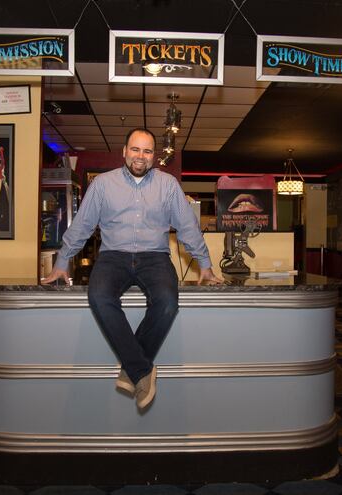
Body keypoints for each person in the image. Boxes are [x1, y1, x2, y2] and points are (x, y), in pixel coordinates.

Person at [42, 128, 221, 410]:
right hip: (113, 256)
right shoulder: (102, 184)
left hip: (156, 257)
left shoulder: (168, 185)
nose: (141, 156)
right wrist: (62, 261)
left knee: (167, 302)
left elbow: (187, 226)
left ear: (155, 157)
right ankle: (141, 369)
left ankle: (132, 370)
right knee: (99, 296)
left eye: (147, 151)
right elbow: (83, 225)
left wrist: (205, 265)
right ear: (124, 151)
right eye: (135, 149)